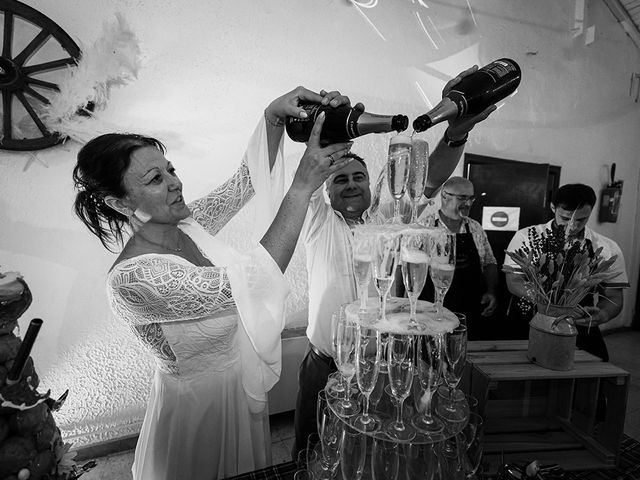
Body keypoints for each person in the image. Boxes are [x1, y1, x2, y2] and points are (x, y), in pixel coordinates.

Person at [72, 86, 357, 480]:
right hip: (196, 412)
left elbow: (244, 183)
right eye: (155, 178)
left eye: (170, 169)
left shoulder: (188, 226)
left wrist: (272, 117)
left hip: (239, 396)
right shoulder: (134, 278)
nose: (174, 182)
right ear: (120, 203)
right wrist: (302, 186)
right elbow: (251, 282)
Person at [292, 65, 499, 459]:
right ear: (328, 191)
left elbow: (428, 182)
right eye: (341, 179)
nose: (351, 183)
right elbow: (312, 174)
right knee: (312, 449)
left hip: (381, 362)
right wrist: (330, 129)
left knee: (368, 451)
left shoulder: (389, 221)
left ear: (372, 186)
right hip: (326, 363)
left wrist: (456, 133)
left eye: (359, 177)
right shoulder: (318, 221)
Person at [504, 183, 629, 361]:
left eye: (581, 220)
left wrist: (603, 314)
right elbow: (514, 282)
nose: (572, 226)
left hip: (576, 322)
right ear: (553, 207)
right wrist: (550, 304)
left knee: (596, 371)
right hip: (529, 321)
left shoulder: (606, 247)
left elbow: (614, 297)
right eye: (565, 218)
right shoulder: (527, 237)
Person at [416, 176, 498, 340]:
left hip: (470, 310)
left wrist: (491, 291)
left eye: (471, 198)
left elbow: (489, 262)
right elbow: (407, 268)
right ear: (444, 196)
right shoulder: (423, 227)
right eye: (462, 198)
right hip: (432, 312)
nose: (468, 203)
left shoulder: (475, 227)